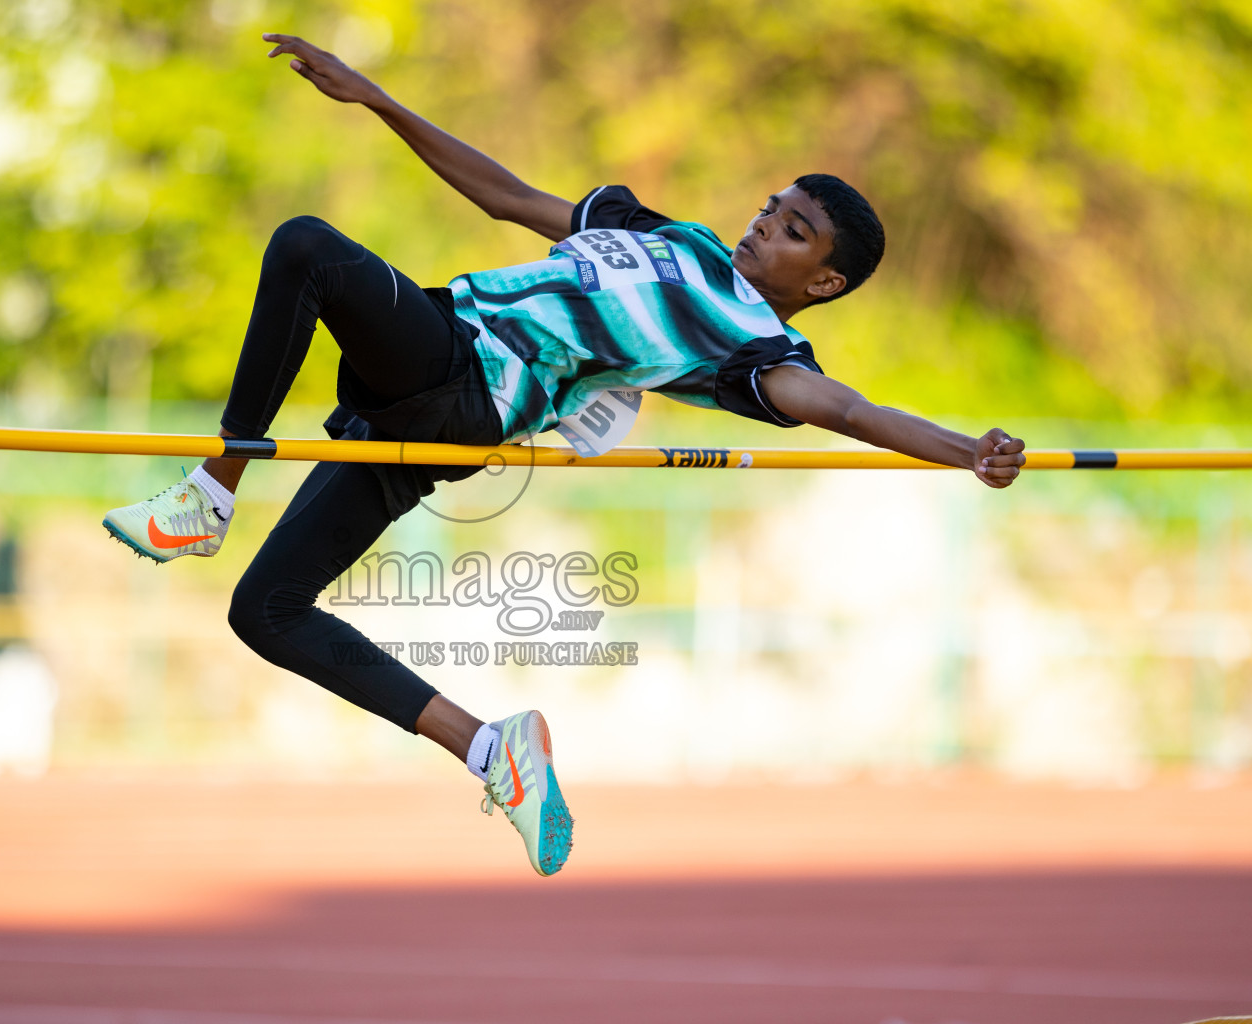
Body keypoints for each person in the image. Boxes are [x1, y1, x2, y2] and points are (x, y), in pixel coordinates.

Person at [101, 34, 1028, 877]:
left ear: (823, 280)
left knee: (306, 247)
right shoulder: (662, 234)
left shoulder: (755, 349)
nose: (762, 227)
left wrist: (964, 451)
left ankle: (212, 495)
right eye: (769, 208)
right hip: (424, 395)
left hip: (470, 382)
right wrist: (376, 98)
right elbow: (506, 195)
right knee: (263, 610)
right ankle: (489, 749)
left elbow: (848, 408)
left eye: (793, 232)